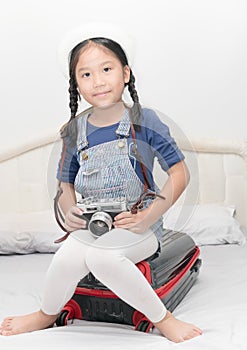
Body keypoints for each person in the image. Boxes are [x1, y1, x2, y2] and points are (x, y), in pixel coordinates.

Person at [0, 36, 202, 342]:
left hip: (137, 227)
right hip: (94, 226)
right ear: (76, 84)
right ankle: (47, 313)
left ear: (125, 73)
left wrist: (148, 216)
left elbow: (179, 173)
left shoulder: (144, 120)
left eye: (106, 69)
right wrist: (69, 211)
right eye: (86, 74)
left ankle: (165, 319)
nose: (98, 81)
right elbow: (65, 183)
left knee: (102, 258)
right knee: (67, 257)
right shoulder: (73, 131)